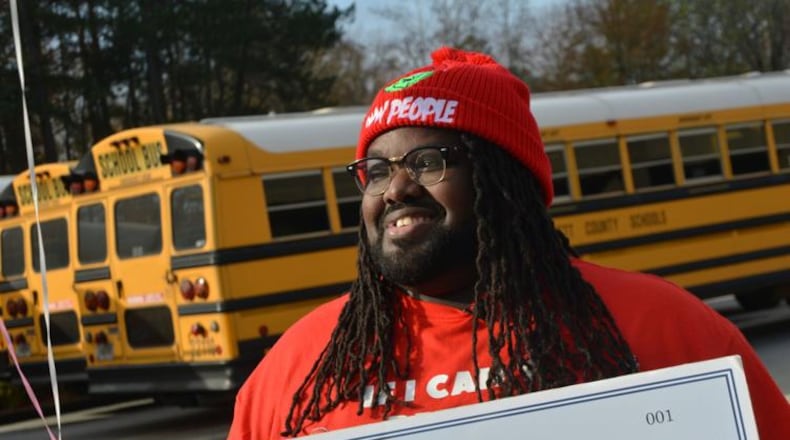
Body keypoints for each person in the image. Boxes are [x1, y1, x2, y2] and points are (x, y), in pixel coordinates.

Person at [228, 47, 790, 439]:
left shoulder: (670, 329)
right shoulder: (298, 368)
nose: (396, 188)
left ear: (505, 183)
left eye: (428, 161)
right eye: (375, 170)